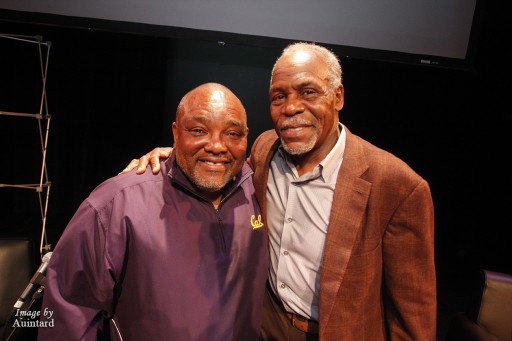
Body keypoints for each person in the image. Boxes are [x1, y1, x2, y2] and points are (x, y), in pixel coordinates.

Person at [123, 42, 437, 340]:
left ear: (338, 96)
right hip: (262, 323)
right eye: (278, 96)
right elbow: (215, 165)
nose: (291, 107)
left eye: (308, 92)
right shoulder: (264, 149)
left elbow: (413, 310)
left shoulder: (396, 185)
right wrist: (172, 156)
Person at [37, 83, 269, 341]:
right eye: (198, 130)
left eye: (232, 134)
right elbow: (68, 314)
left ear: (246, 137)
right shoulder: (115, 203)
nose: (217, 145)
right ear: (176, 133)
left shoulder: (260, 190)